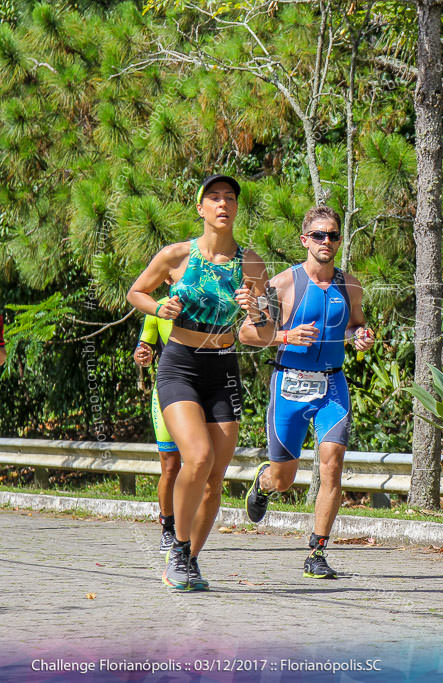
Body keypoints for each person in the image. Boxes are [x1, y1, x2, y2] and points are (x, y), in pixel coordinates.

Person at [126, 174, 271, 591]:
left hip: (224, 368)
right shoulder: (176, 256)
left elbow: (262, 335)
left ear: (236, 209)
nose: (223, 204)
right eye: (214, 198)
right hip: (180, 365)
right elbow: (136, 292)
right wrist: (161, 306)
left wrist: (256, 311)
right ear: (200, 208)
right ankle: (176, 543)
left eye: (230, 198)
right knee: (199, 456)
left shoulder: (252, 264)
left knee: (214, 481)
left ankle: (188, 560)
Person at [239, 205, 374, 579]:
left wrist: (360, 337)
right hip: (290, 385)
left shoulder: (351, 286)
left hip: (332, 385)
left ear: (339, 240)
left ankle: (317, 552)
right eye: (318, 235)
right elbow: (248, 333)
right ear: (304, 240)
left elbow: (356, 327)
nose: (326, 241)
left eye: (332, 235)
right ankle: (264, 483)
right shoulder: (282, 284)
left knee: (331, 466)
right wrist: (285, 335)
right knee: (284, 477)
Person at [132, 295, 181, 551]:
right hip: (168, 389)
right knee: (171, 465)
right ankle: (168, 527)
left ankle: (189, 525)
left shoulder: (210, 300)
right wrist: (142, 355)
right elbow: (144, 348)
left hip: (204, 390)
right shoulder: (159, 307)